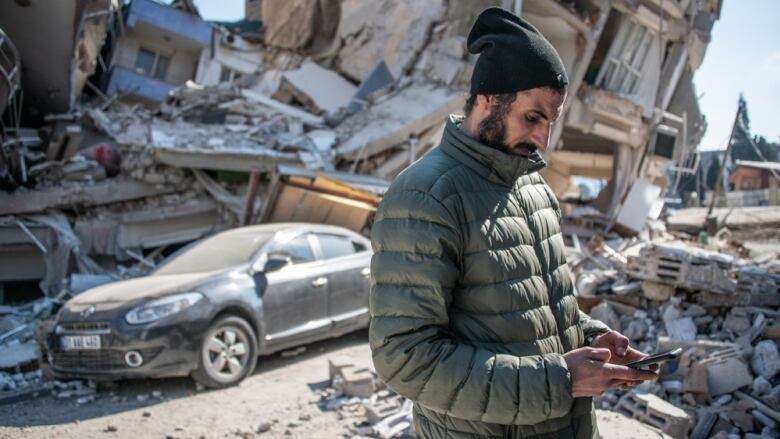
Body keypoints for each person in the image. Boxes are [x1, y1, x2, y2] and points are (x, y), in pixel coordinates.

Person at [369, 7, 657, 438]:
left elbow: (534, 309)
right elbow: (406, 357)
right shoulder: (425, 196)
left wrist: (591, 339)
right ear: (488, 99)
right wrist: (560, 380)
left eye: (550, 122)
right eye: (533, 117)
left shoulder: (534, 190)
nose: (543, 139)